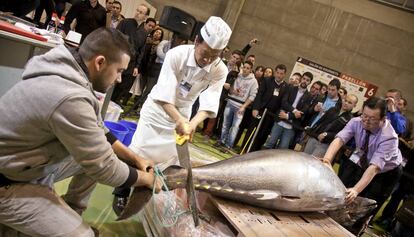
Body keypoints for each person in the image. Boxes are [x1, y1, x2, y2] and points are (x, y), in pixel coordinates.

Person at [0, 28, 161, 237]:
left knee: (97, 159)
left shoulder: (67, 73)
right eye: (119, 70)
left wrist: (135, 158)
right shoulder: (69, 96)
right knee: (84, 235)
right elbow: (105, 169)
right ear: (100, 62)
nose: (120, 79)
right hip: (8, 181)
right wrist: (147, 180)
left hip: (20, 164)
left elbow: (98, 130)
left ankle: (69, 214)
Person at [113, 16, 232, 214]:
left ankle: (146, 190)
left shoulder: (220, 69)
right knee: (138, 150)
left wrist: (192, 123)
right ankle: (121, 193)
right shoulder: (176, 55)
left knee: (168, 158)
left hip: (184, 112)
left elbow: (211, 99)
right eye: (205, 53)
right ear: (196, 41)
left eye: (215, 55)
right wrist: (180, 120)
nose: (208, 60)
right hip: (158, 109)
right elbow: (165, 93)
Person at [322, 97, 402, 235]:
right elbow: (339, 139)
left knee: (366, 206)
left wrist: (356, 190)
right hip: (362, 161)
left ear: (383, 119)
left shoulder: (389, 138)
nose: (366, 120)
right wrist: (327, 160)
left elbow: (375, 168)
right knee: (343, 192)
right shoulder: (356, 121)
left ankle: (355, 231)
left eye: (372, 118)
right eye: (364, 115)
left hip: (385, 173)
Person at [263, 71, 314, 149]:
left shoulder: (309, 96)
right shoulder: (290, 88)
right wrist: (294, 111)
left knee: (283, 148)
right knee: (270, 143)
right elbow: (284, 102)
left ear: (310, 82)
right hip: (280, 120)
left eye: (307, 80)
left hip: (291, 126)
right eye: (304, 78)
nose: (305, 81)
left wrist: (287, 116)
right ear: (301, 79)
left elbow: (303, 112)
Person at [218, 61, 258, 151]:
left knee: (235, 127)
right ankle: (221, 140)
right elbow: (230, 88)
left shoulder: (254, 81)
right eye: (244, 67)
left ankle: (228, 145)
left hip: (240, 106)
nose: (245, 70)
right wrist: (232, 91)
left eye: (248, 68)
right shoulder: (237, 75)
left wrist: (244, 106)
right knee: (225, 124)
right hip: (230, 102)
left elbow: (252, 96)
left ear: (251, 70)